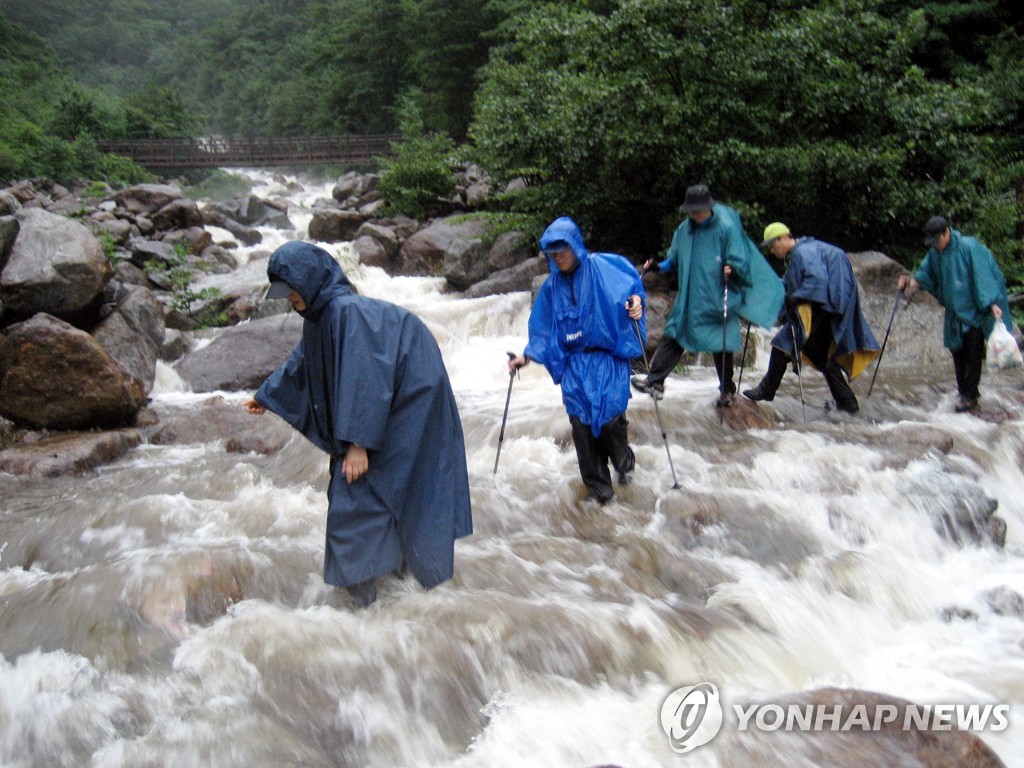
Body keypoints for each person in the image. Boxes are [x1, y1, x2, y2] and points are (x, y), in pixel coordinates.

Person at [242, 241, 473, 607]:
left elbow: (365, 375)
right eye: (285, 294)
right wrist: (267, 394)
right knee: (371, 490)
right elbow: (303, 363)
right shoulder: (321, 316)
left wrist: (358, 443)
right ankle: (394, 595)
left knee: (365, 491)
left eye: (292, 290)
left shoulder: (346, 312)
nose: (290, 299)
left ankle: (368, 606)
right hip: (394, 395)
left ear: (311, 279)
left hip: (412, 395)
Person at [508, 216, 645, 505]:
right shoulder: (551, 287)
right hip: (575, 368)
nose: (557, 258)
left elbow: (632, 288)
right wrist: (526, 357)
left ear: (575, 246)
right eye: (552, 254)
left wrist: (636, 304)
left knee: (610, 422)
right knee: (582, 430)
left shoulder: (604, 268)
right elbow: (543, 329)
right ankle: (599, 492)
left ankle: (624, 464)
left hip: (607, 361)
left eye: (562, 251)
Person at [632, 184, 783, 406]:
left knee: (720, 345)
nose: (694, 214)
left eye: (698, 210)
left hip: (717, 296)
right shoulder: (683, 231)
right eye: (691, 210)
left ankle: (727, 391)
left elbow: (738, 258)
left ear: (708, 208)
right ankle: (655, 382)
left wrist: (732, 267)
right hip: (689, 299)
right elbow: (671, 261)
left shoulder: (725, 228)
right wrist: (657, 266)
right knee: (674, 335)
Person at [742, 223, 881, 414]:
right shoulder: (802, 252)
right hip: (831, 306)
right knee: (822, 358)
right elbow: (787, 284)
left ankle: (767, 389)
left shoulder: (802, 253)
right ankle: (848, 404)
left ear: (784, 237)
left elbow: (817, 282)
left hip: (825, 307)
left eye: (773, 245)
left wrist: (795, 298)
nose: (773, 250)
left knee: (782, 345)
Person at [897, 215, 1011, 413]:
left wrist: (991, 304)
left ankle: (970, 396)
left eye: (937, 240)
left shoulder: (969, 247)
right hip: (954, 313)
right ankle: (963, 392)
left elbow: (982, 277)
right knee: (957, 352)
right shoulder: (935, 253)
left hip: (974, 312)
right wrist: (909, 283)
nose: (935, 245)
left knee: (973, 353)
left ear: (947, 232)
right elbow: (925, 275)